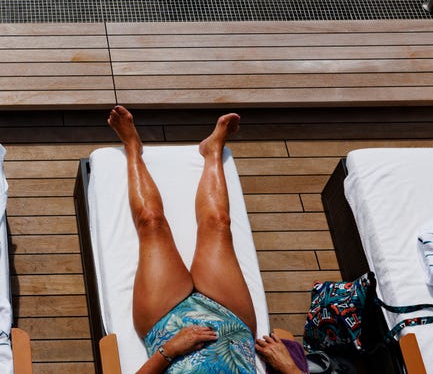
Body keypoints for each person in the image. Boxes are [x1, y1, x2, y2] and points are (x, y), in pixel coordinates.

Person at [107, 105, 302, 374]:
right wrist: (289, 367)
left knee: (151, 222)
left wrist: (169, 350)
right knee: (219, 224)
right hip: (231, 320)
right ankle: (212, 151)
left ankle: (131, 146)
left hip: (166, 323)